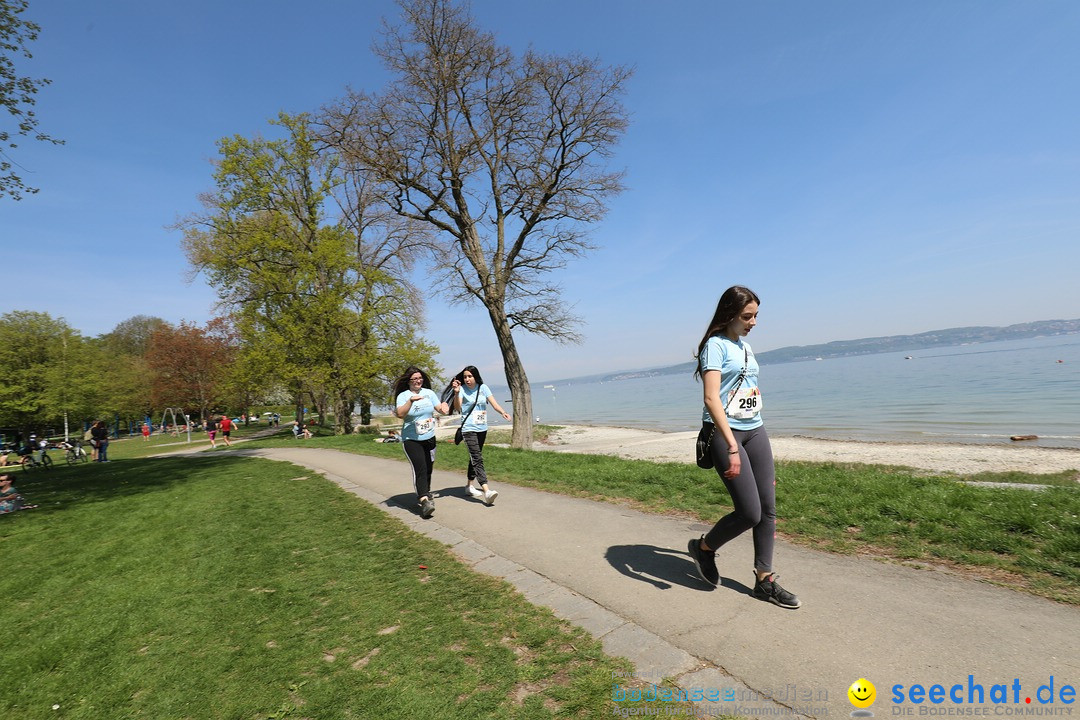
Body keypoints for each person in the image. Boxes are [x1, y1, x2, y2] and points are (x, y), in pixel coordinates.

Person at [686, 285, 801, 609]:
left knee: (768, 508)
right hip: (727, 435)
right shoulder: (716, 346)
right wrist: (732, 447)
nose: (754, 322)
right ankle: (704, 548)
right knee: (750, 512)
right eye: (748, 316)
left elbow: (746, 387)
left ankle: (765, 580)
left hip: (755, 429)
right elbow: (710, 398)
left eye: (756, 316)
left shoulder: (745, 347)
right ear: (730, 314)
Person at [447, 365, 511, 506]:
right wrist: (456, 393)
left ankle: (469, 486)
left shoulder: (483, 388)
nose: (467, 379)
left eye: (470, 376)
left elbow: (494, 404)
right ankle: (486, 490)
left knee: (474, 457)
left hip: (482, 428)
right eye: (465, 377)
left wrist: (503, 412)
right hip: (469, 428)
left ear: (475, 376)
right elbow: (458, 408)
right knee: (477, 457)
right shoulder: (462, 389)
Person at [393, 365, 450, 518]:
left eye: (420, 378)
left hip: (429, 438)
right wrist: (411, 401)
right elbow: (400, 414)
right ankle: (424, 501)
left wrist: (444, 407)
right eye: (414, 379)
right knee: (420, 468)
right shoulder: (403, 396)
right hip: (412, 439)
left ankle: (425, 492)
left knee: (429, 468)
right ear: (408, 381)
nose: (418, 381)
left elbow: (440, 409)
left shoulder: (429, 393)